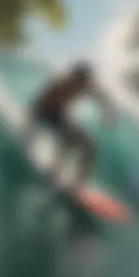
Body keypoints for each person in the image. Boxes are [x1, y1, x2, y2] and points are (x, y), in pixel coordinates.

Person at [25, 61, 115, 189]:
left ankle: (78, 183)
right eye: (82, 80)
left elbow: (101, 97)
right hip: (44, 112)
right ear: (74, 77)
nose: (83, 85)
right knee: (68, 141)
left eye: (85, 81)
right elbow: (37, 105)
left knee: (90, 146)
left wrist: (108, 114)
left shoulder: (83, 87)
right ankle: (54, 172)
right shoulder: (60, 84)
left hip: (58, 116)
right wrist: (28, 130)